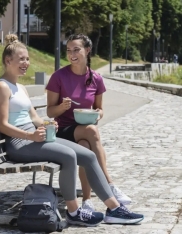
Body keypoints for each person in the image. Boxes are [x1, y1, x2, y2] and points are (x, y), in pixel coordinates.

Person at [0, 34, 144, 227]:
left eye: (27, 59)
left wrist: (46, 125)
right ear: (8, 60)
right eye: (21, 59)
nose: (26, 63)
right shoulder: (1, 87)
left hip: (34, 137)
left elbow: (34, 118)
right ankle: (73, 212)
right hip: (19, 144)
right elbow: (3, 125)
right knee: (69, 155)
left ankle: (114, 209)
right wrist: (30, 135)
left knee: (87, 155)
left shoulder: (20, 87)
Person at [46, 34, 131, 211]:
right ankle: (110, 185)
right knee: (91, 132)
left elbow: (100, 109)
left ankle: (87, 200)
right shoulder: (58, 77)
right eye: (68, 50)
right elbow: (50, 111)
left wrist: (97, 114)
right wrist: (62, 107)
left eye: (76, 49)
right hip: (62, 131)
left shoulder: (96, 78)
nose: (71, 54)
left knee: (86, 145)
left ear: (87, 50)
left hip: (83, 131)